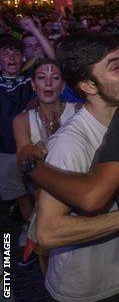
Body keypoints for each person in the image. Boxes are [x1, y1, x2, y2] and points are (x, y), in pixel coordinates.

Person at [34, 32, 119, 301]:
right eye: (115, 66)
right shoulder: (70, 144)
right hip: (86, 290)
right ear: (88, 85)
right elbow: (47, 233)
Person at [12, 58, 79, 269]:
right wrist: (35, 149)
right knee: (50, 265)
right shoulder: (22, 120)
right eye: (41, 78)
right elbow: (23, 163)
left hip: (81, 200)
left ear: (63, 85)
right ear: (33, 85)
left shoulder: (79, 111)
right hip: (44, 205)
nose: (48, 83)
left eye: (55, 78)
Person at [0, 34, 33, 262]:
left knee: (30, 197)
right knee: (19, 196)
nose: (11, 57)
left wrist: (32, 28)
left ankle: (32, 235)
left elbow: (52, 58)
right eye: (5, 52)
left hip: (26, 151)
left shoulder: (30, 81)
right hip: (4, 153)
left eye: (16, 53)